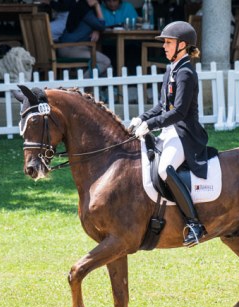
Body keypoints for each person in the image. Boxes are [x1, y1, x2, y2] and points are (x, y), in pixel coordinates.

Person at [128, 21, 209, 247]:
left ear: (182, 45)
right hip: (169, 130)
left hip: (184, 133)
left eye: (168, 42)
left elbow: (180, 112)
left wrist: (151, 125)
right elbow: (163, 107)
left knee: (164, 169)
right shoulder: (171, 69)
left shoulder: (186, 73)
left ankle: (194, 223)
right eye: (164, 42)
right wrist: (143, 118)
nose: (164, 46)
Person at [45, 0, 112, 77]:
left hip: (75, 47)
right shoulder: (84, 10)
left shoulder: (83, 8)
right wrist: (97, 6)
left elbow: (98, 25)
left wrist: (97, 30)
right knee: (105, 62)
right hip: (68, 48)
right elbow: (102, 26)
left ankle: (94, 88)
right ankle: (81, 84)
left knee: (108, 68)